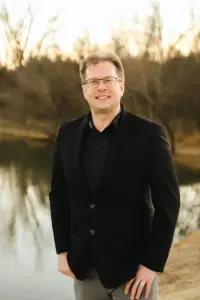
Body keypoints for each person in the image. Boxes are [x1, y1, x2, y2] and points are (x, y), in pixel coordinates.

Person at [49, 51, 180, 300]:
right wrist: (62, 250)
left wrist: (152, 265)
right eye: (93, 82)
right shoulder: (67, 133)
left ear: (121, 86)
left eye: (108, 80)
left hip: (132, 273)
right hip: (85, 268)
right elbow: (59, 195)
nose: (101, 88)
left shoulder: (150, 135)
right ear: (84, 90)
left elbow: (169, 205)